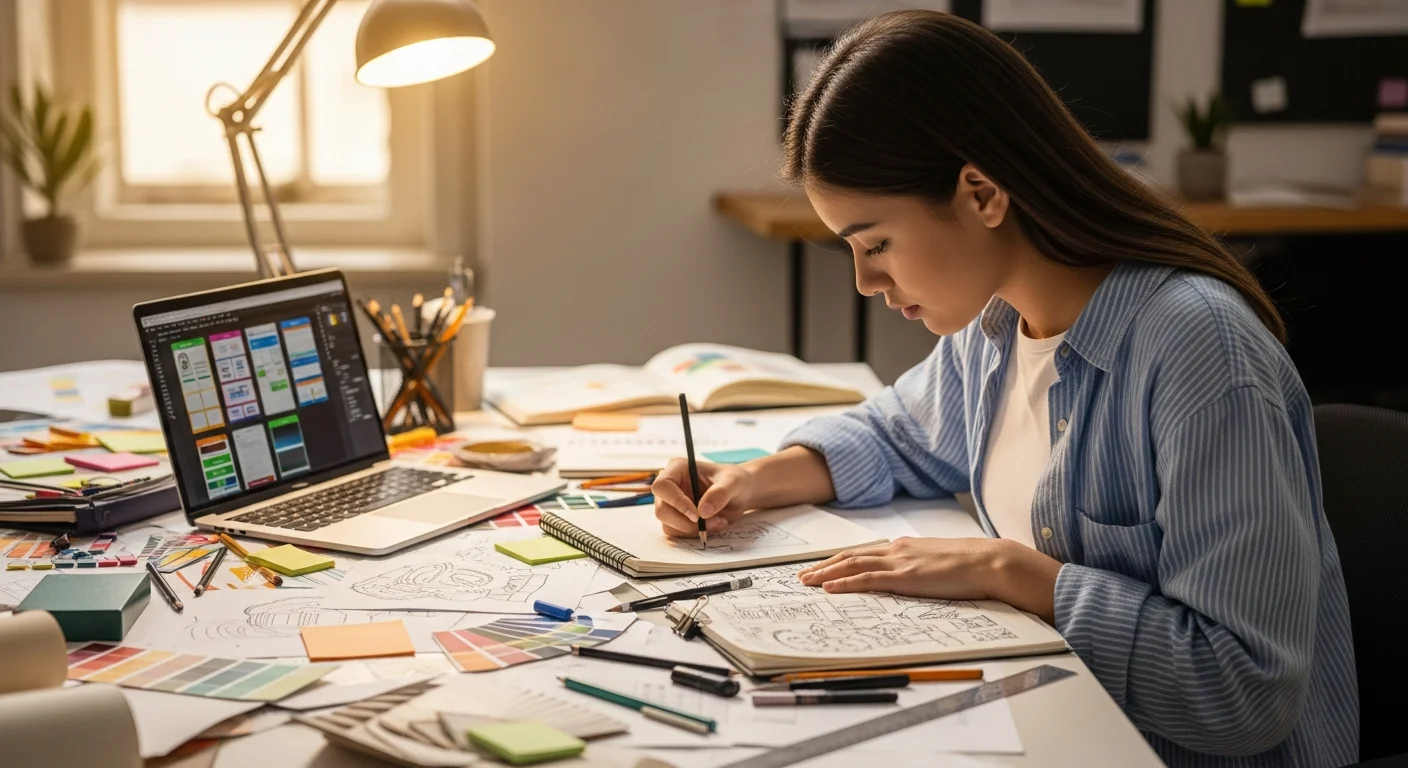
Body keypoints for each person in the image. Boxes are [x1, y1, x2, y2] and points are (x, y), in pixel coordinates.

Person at [650, 11, 1356, 767]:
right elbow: (900, 432)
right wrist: (751, 480)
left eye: (877, 243)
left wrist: (1009, 573)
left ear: (981, 193)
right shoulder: (996, 326)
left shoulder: (1200, 354)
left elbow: (1244, 691)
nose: (865, 281)